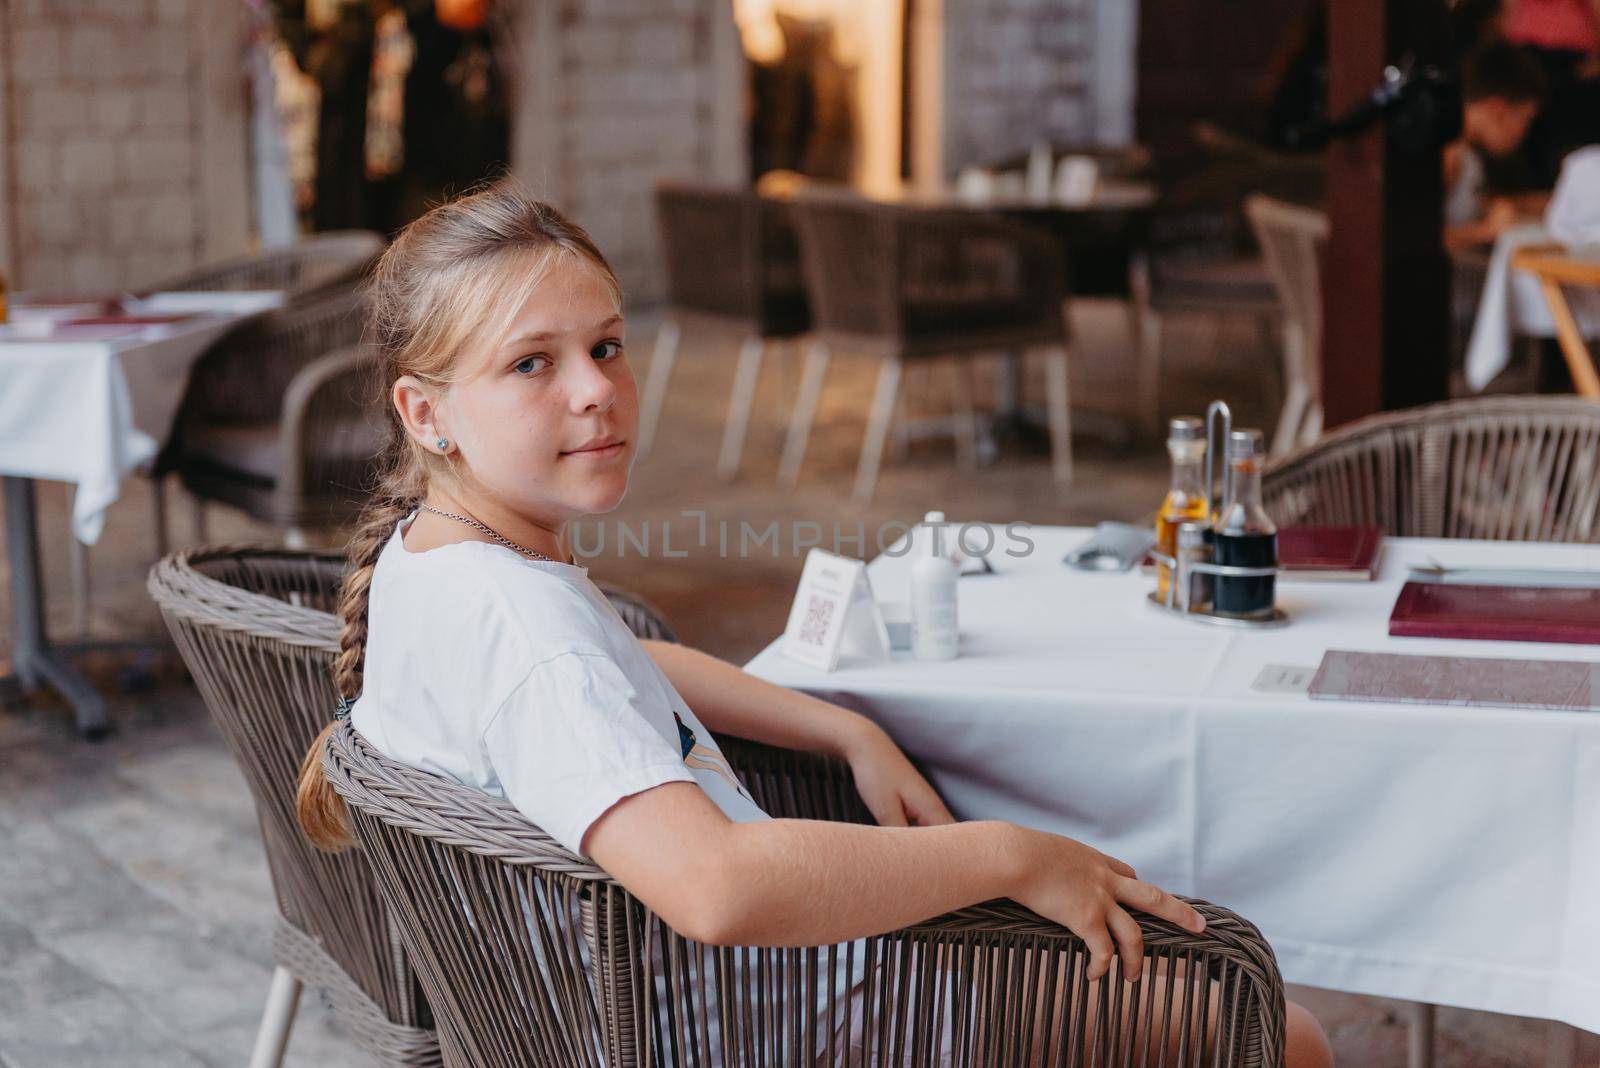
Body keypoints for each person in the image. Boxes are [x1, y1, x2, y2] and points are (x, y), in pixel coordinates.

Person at [293, 184, 1333, 1066]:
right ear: (424, 413)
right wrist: (1010, 857)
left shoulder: (434, 566)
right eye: (533, 364)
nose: (596, 392)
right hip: (811, 1023)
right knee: (1272, 1034)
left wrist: (845, 729)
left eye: (606, 346)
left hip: (677, 1011)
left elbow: (621, 664)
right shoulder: (530, 636)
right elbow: (716, 888)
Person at [1445, 42, 1549, 250]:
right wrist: (1487, 232)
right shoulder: (1449, 154)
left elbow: (1483, 203)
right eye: (1525, 120)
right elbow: (1412, 241)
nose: (1523, 134)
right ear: (1497, 108)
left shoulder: (1468, 154)